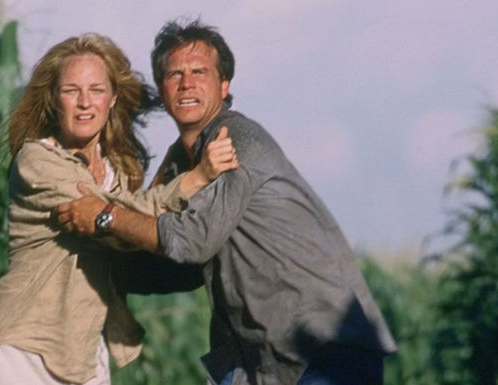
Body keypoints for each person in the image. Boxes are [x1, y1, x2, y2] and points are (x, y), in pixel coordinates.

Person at [56, 20, 397, 385]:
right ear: (162, 88)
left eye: (199, 72)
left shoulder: (236, 140)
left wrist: (104, 216)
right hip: (259, 360)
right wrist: (87, 266)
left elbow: (190, 241)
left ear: (224, 85)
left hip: (324, 348)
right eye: (175, 74)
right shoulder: (178, 166)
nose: (186, 83)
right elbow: (173, 264)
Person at [0, 33, 238, 385]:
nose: (84, 103)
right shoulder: (38, 161)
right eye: (71, 91)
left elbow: (137, 217)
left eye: (96, 90)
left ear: (112, 99)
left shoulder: (118, 172)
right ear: (54, 99)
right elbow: (119, 216)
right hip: (22, 348)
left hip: (84, 352)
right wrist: (197, 177)